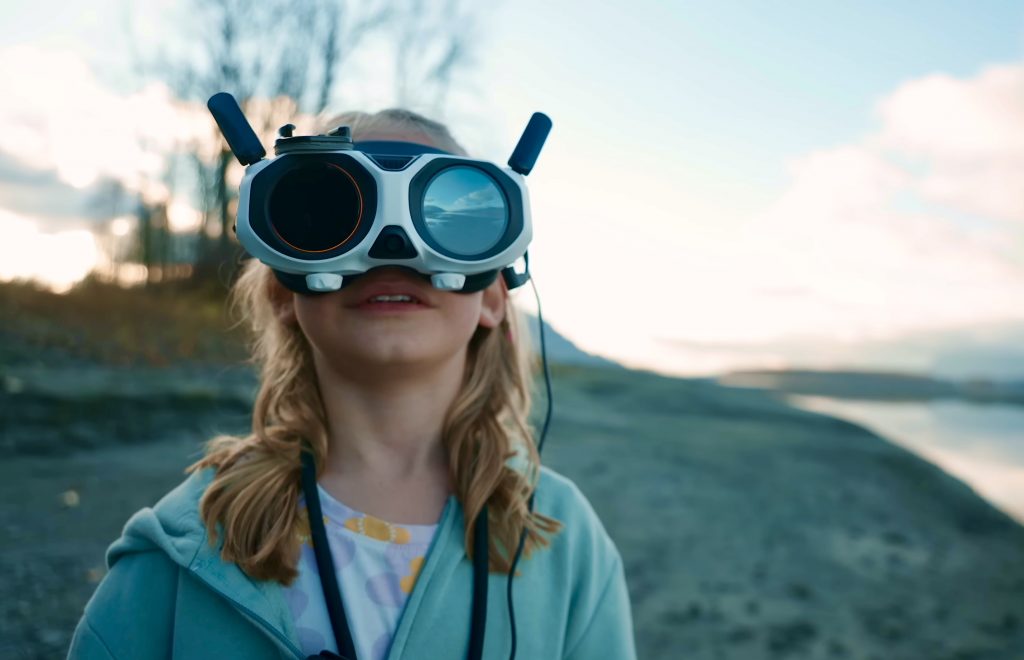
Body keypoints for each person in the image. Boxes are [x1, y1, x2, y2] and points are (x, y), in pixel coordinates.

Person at [67, 108, 636, 660]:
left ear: (492, 296)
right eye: (334, 217)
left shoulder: (565, 539)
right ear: (283, 292)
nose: (392, 254)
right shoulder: (186, 545)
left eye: (450, 220)